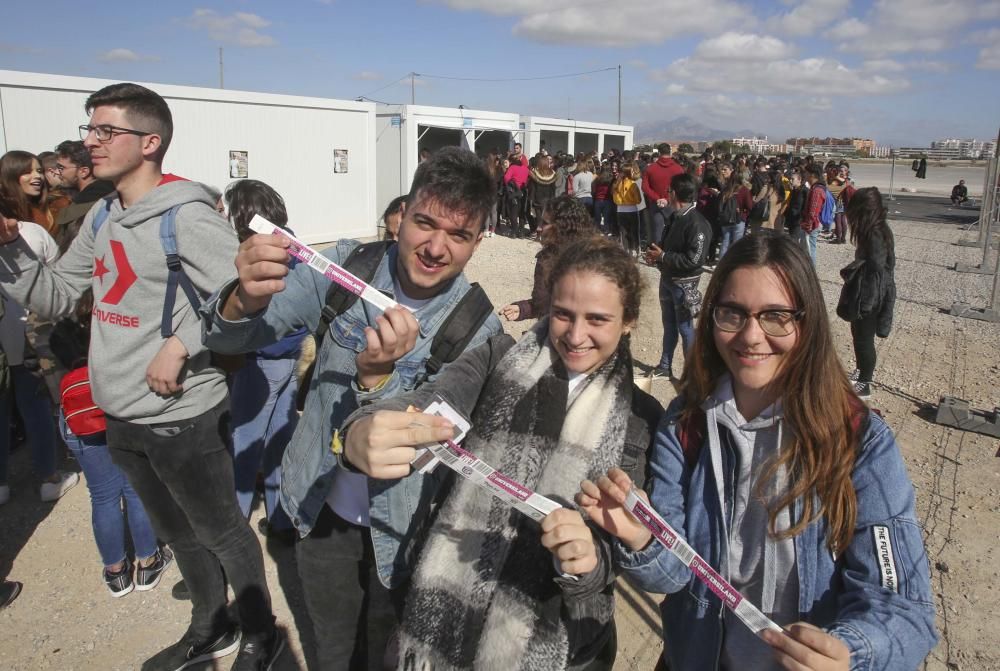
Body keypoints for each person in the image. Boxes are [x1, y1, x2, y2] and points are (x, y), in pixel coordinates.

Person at [0, 82, 282, 669]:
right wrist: (12, 254)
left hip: (181, 413)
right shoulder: (104, 211)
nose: (90, 143)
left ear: (149, 142)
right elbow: (55, 295)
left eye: (107, 131)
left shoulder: (188, 218)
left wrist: (181, 343)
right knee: (177, 534)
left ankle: (260, 633)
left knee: (222, 530)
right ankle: (209, 625)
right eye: (90, 129)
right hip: (120, 409)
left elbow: (250, 312)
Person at [203, 146, 503, 671]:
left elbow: (433, 441)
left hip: (406, 533)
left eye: (457, 235)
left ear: (478, 242)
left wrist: (376, 381)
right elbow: (236, 338)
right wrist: (242, 298)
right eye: (424, 223)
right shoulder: (346, 265)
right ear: (401, 215)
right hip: (322, 513)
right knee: (333, 649)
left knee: (388, 653)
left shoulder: (480, 330)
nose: (434, 248)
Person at [580, 232, 937, 671]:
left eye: (775, 316)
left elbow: (903, 606)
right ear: (712, 318)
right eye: (733, 313)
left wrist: (850, 652)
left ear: (806, 323)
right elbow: (673, 575)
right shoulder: (685, 425)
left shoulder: (857, 439)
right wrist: (640, 538)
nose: (751, 336)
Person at [342, 236, 663, 670]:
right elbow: (430, 400)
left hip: (561, 639)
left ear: (628, 321)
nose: (575, 334)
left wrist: (588, 562)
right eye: (563, 314)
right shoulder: (499, 358)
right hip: (445, 608)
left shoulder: (643, 420)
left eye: (598, 319)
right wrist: (364, 425)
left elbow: (623, 543)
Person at [49, 288, 171, 597]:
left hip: (79, 414)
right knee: (135, 489)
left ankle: (116, 572)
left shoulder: (62, 320)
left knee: (102, 496)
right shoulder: (120, 314)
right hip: (121, 405)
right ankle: (147, 561)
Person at [223, 179, 306, 539]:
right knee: (278, 442)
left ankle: (232, 534)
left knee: (245, 445)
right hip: (292, 356)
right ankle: (281, 519)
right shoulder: (295, 244)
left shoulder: (257, 252)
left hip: (260, 359)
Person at [0, 197, 78, 506]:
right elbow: (58, 284)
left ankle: (3, 484)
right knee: (36, 409)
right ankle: (49, 478)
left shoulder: (32, 232)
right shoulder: (31, 233)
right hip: (30, 336)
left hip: (12, 340)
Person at [645, 174, 712, 381]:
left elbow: (695, 260)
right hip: (667, 280)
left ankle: (692, 374)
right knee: (669, 324)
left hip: (684, 285)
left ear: (675, 193)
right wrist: (656, 257)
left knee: (685, 328)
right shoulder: (675, 216)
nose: (667, 194)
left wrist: (664, 256)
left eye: (669, 191)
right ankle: (665, 365)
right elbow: (668, 246)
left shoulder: (697, 224)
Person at [838, 187, 896, 401]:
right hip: (869, 291)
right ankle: (861, 371)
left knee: (864, 339)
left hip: (872, 295)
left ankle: (866, 382)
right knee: (858, 335)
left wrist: (865, 301)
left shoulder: (875, 232)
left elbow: (877, 267)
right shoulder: (875, 228)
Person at [500, 195, 597, 322]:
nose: (539, 228)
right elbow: (545, 304)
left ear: (563, 226)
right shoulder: (547, 257)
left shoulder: (593, 262)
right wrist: (523, 309)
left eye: (545, 223)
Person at [0, 150, 57, 235]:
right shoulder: (3, 212)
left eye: (39, 171)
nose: (37, 176)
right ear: (10, 177)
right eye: (27, 172)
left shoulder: (56, 207)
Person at [642, 143, 685, 246]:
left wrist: (657, 199)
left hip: (656, 204)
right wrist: (668, 199)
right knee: (674, 230)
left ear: (659, 152)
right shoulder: (678, 169)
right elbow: (682, 186)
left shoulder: (651, 168)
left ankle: (658, 255)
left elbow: (645, 187)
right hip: (674, 204)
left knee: (658, 232)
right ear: (669, 152)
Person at [717, 161, 752, 258]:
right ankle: (733, 262)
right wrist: (744, 213)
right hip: (738, 219)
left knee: (725, 242)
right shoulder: (744, 190)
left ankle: (721, 263)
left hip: (725, 219)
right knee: (736, 245)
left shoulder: (725, 189)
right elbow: (749, 206)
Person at [613, 161, 643, 257]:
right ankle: (635, 249)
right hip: (632, 210)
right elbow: (638, 200)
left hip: (620, 210)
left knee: (624, 232)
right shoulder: (633, 184)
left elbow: (615, 198)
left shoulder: (617, 184)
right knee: (634, 231)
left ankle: (626, 250)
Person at [799, 164, 827, 264]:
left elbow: (813, 211)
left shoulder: (816, 190)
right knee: (808, 251)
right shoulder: (816, 187)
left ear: (812, 175)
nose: (804, 175)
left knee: (809, 252)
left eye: (806, 173)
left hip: (812, 225)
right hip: (813, 224)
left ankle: (811, 275)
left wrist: (808, 226)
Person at [527, 154, 558, 236]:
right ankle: (545, 233)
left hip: (537, 198)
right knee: (546, 217)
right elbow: (553, 189)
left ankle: (538, 234)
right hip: (548, 199)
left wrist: (531, 198)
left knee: (538, 217)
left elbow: (532, 188)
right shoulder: (552, 174)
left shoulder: (535, 174)